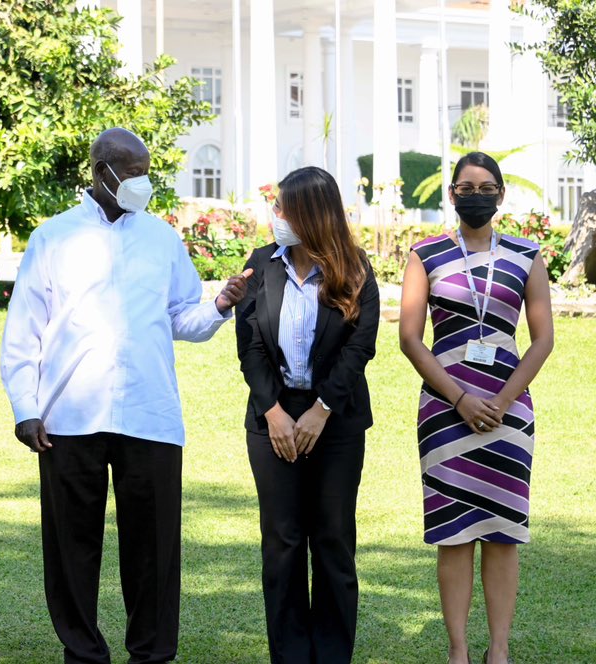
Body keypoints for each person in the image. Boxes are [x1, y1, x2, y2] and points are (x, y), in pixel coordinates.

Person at [0, 127, 252, 664]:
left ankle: (151, 654)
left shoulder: (162, 239)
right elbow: (23, 331)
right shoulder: (53, 237)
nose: (143, 181)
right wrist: (26, 408)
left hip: (149, 413)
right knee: (71, 546)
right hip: (69, 415)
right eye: (132, 172)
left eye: (145, 170)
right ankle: (83, 652)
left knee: (154, 549)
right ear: (101, 172)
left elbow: (184, 316)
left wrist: (221, 303)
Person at [399, 152, 554, 664]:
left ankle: (500, 650)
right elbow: (409, 339)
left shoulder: (528, 256)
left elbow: (542, 340)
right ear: (451, 195)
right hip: (445, 413)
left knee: (504, 533)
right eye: (465, 187)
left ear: (501, 195)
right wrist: (462, 399)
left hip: (510, 414)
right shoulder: (426, 255)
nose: (475, 195)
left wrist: (504, 401)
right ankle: (459, 651)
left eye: (486, 186)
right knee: (455, 532)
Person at [235, 166, 378, 663]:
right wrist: (273, 411)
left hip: (334, 420)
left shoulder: (355, 267)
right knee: (282, 543)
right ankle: (291, 655)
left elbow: (360, 348)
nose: (276, 217)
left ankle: (333, 655)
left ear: (313, 216)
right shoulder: (261, 264)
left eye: (285, 208)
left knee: (334, 539)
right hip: (273, 416)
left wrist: (321, 410)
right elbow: (249, 347)